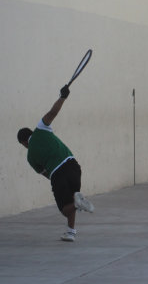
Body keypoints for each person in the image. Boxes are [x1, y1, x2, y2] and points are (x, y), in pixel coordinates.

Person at [17, 85, 94, 242]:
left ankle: (78, 204)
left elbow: (46, 174)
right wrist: (63, 96)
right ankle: (71, 232)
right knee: (73, 198)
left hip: (57, 174)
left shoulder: (30, 157)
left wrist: (57, 180)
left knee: (66, 208)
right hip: (74, 166)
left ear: (24, 142)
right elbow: (53, 112)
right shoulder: (41, 128)